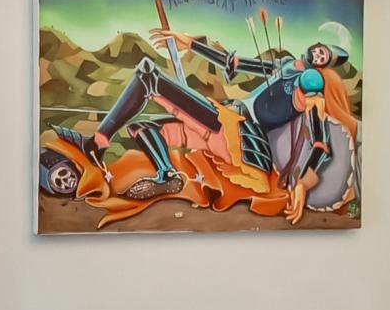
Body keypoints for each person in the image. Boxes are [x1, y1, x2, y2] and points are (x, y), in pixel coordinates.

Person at [55, 26, 352, 219]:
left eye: (324, 56)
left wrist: (302, 184)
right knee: (144, 129)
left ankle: (96, 143)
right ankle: (166, 174)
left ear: (324, 66)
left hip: (241, 135)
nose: (319, 53)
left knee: (149, 74)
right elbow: (233, 64)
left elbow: (320, 144)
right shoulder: (286, 66)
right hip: (227, 120)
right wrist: (191, 44)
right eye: (321, 48)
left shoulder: (311, 87)